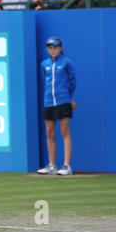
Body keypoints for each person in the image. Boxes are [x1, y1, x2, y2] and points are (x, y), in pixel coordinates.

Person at [37, 37, 76, 176]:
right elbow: (45, 80)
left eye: (55, 47)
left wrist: (66, 97)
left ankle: (66, 166)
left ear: (60, 48)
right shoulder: (44, 64)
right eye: (50, 48)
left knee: (64, 131)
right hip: (48, 102)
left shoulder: (67, 62)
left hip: (63, 101)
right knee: (49, 132)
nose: (52, 50)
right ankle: (52, 165)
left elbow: (72, 82)